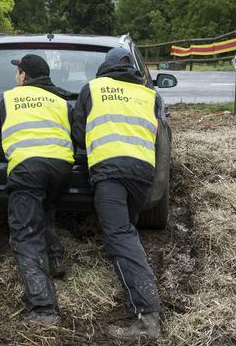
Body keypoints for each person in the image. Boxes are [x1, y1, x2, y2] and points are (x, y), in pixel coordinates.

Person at [72, 47, 162, 339]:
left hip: (109, 172)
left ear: (105, 67)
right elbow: (158, 134)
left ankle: (148, 318)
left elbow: (77, 131)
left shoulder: (93, 89)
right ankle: (139, 290)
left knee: (119, 236)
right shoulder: (150, 94)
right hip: (142, 172)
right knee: (126, 230)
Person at [0, 54, 74, 324]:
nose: (16, 77)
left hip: (26, 168)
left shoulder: (7, 99)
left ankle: (44, 309)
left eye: (18, 73)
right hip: (62, 169)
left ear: (23, 76)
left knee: (26, 235)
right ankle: (55, 260)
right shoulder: (62, 101)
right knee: (46, 208)